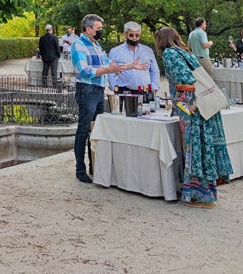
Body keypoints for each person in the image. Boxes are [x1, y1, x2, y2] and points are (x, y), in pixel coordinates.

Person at [154, 27, 233, 208]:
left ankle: (197, 194)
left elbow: (186, 79)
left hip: (192, 106)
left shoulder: (169, 54)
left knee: (195, 148)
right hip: (205, 104)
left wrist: (188, 104)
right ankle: (206, 193)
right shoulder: (185, 52)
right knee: (205, 147)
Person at [70, 14, 146, 183]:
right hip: (87, 90)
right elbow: (85, 71)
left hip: (97, 90)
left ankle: (95, 165)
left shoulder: (96, 45)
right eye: (98, 29)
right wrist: (109, 69)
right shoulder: (78, 45)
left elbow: (110, 65)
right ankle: (80, 169)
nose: (100, 31)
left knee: (96, 129)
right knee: (84, 129)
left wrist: (130, 66)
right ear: (88, 29)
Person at [108, 22, 160, 94]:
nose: (134, 38)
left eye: (137, 35)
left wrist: (154, 87)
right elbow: (111, 72)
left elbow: (154, 71)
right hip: (123, 91)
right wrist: (114, 87)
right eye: (131, 35)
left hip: (145, 91)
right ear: (125, 34)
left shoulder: (148, 50)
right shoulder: (115, 51)